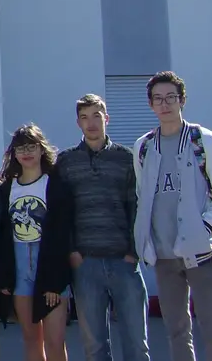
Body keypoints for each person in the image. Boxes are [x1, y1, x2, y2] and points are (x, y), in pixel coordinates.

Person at [134, 70, 212, 361]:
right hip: (164, 254)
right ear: (151, 105)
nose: (164, 104)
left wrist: (204, 228)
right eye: (158, 99)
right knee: (176, 329)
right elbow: (142, 197)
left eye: (170, 97)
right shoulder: (143, 146)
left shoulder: (203, 140)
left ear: (181, 100)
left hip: (201, 254)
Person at [57, 94, 149, 361]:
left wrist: (134, 251)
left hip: (124, 261)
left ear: (106, 118)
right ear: (78, 123)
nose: (91, 123)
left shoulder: (126, 159)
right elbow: (63, 212)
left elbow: (136, 206)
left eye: (96, 116)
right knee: (94, 345)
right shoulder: (67, 162)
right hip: (85, 263)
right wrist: (72, 252)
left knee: (136, 343)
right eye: (84, 117)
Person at [0, 124, 72, 361]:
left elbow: (62, 235)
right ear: (14, 154)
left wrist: (54, 282)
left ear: (41, 149)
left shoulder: (55, 184)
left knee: (55, 341)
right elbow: (1, 236)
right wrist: (5, 277)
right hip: (20, 269)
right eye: (21, 148)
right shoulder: (7, 188)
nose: (26, 152)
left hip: (49, 265)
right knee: (31, 339)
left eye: (32, 146)